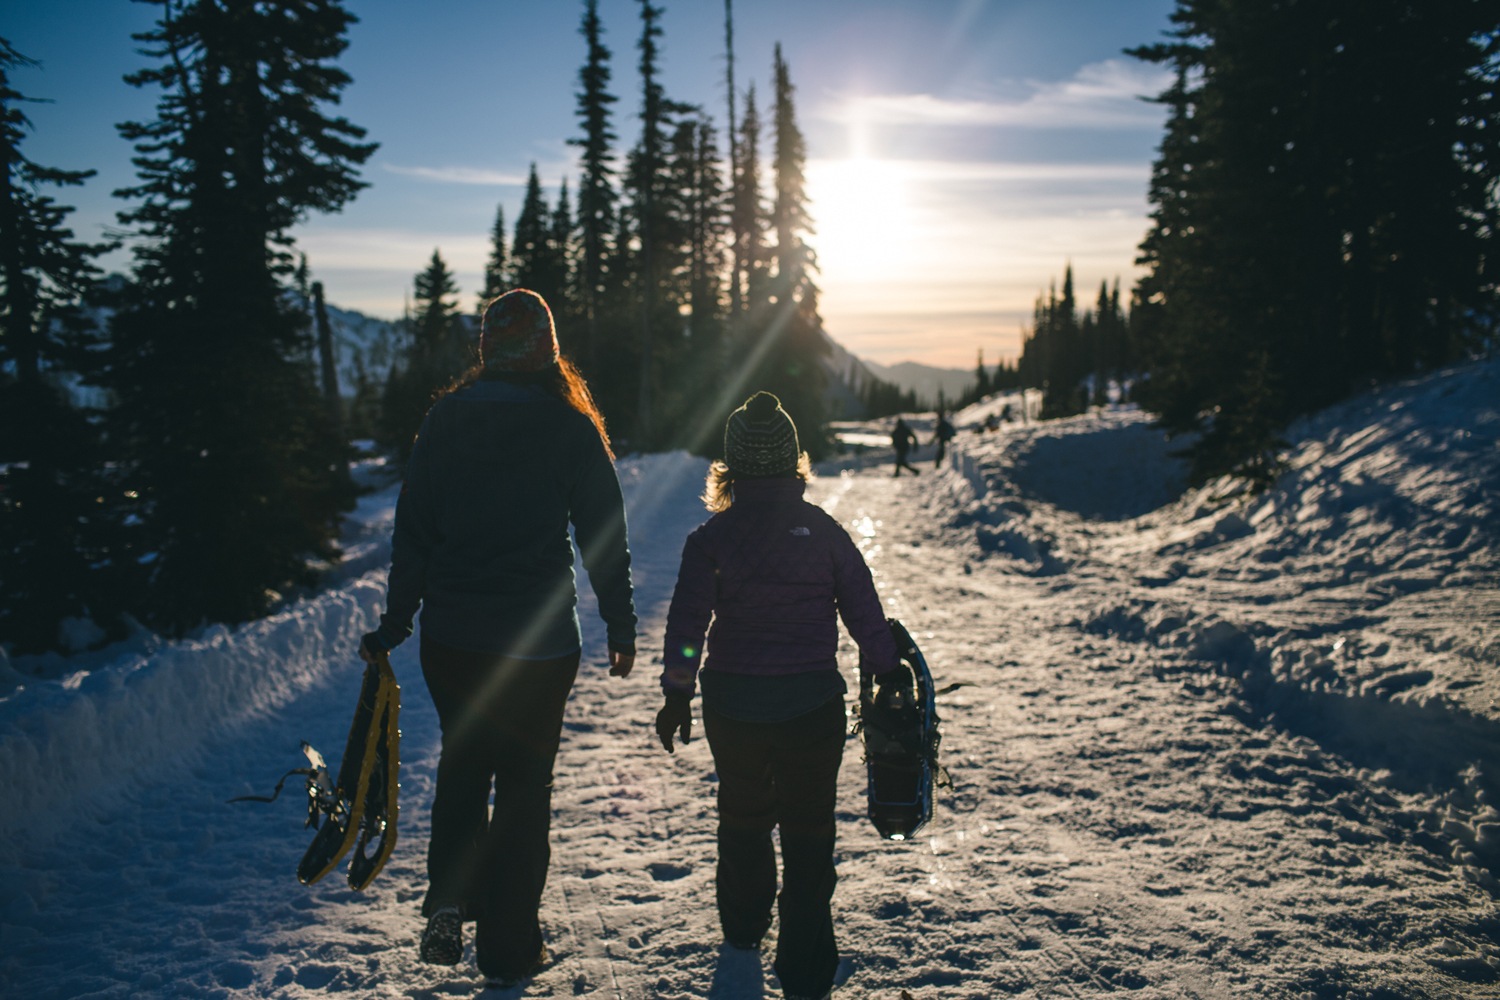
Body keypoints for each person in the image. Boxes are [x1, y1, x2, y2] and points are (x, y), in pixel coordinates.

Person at [359, 289, 637, 989]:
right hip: (541, 649)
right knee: (522, 788)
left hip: (453, 640)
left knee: (463, 763)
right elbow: (605, 535)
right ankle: (510, 948)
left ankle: (451, 895)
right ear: (547, 349)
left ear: (487, 350)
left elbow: (413, 534)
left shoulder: (446, 419)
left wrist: (397, 622)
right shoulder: (569, 426)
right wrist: (620, 621)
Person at [654, 391, 902, 1000]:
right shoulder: (823, 532)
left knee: (742, 815)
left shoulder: (709, 539)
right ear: (794, 462)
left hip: (734, 708)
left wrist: (677, 695)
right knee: (809, 830)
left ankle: (742, 930)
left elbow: (688, 627)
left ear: (731, 468)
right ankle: (806, 963)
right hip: (810, 709)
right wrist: (887, 668)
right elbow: (864, 609)